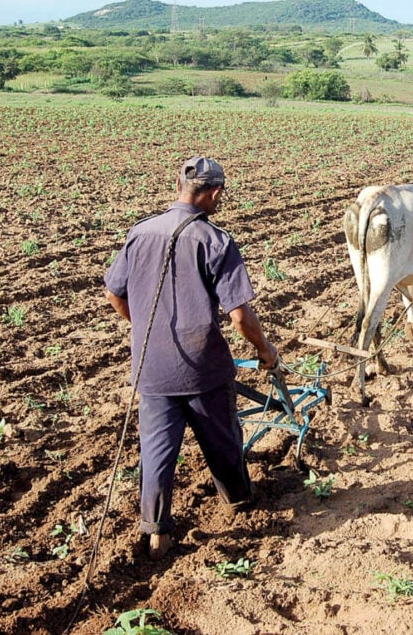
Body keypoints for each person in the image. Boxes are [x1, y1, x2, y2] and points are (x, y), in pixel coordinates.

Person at [104, 155, 279, 560]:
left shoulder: (140, 232)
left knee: (156, 450)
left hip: (151, 366)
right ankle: (238, 503)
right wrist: (265, 350)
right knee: (222, 440)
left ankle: (156, 530)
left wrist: (145, 325)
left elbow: (114, 293)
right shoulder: (216, 241)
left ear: (179, 186)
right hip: (203, 369)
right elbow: (239, 316)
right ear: (214, 193)